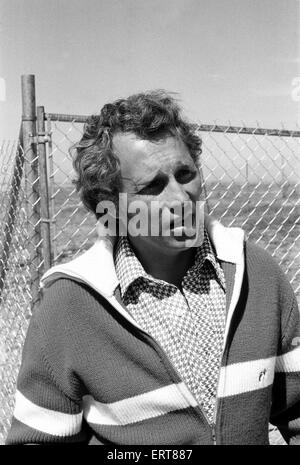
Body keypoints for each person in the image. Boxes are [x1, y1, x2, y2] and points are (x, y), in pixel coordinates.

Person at [6, 91, 300, 445]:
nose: (180, 198)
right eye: (153, 186)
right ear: (110, 207)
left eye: (185, 174)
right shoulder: (69, 309)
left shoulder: (258, 276)